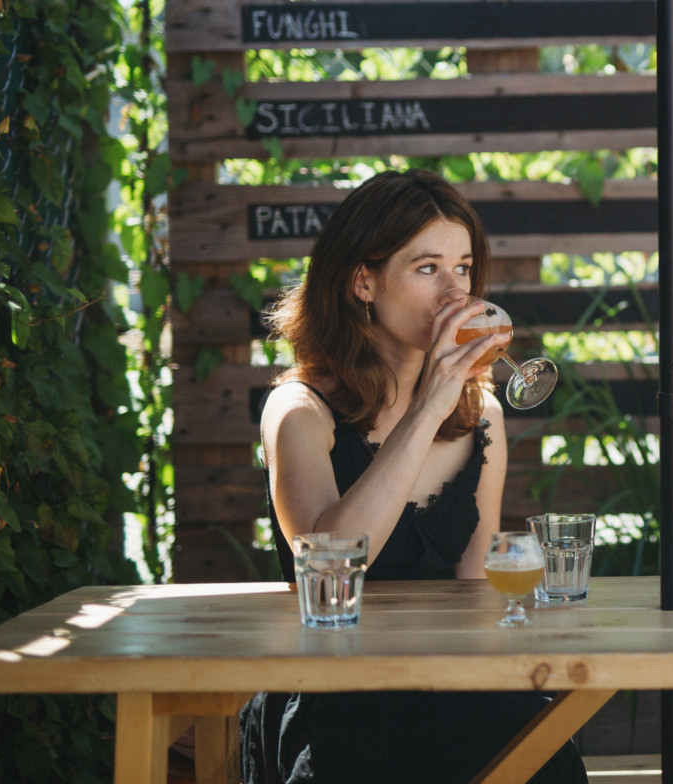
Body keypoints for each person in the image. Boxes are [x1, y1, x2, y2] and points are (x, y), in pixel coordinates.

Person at [239, 169, 588, 784]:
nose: (455, 294)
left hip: (456, 683)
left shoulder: (483, 418)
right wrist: (429, 406)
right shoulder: (298, 411)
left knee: (545, 753)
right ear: (362, 281)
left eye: (464, 268)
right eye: (428, 269)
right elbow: (330, 557)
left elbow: (477, 585)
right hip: (340, 695)